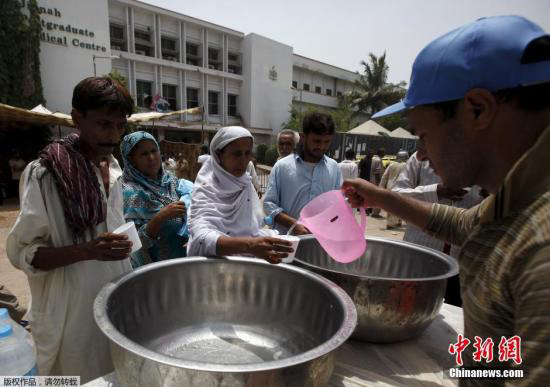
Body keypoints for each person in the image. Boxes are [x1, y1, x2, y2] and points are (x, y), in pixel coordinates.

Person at [343, 16, 550, 384]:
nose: (421, 153)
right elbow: (459, 223)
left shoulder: (541, 247)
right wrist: (378, 196)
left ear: (478, 110)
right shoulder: (518, 202)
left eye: (424, 135)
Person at [6, 77, 134, 382]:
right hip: (70, 315)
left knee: (114, 373)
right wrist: (87, 251)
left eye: (119, 126)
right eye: (104, 124)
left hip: (114, 301)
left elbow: (111, 226)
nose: (113, 135)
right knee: (74, 376)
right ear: (77, 117)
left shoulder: (114, 168)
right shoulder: (46, 175)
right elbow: (23, 254)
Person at [187, 126, 292, 262]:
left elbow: (250, 229)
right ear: (219, 154)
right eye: (236, 154)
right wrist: (249, 245)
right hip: (214, 269)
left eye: (247, 153)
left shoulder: (245, 184)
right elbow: (200, 238)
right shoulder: (206, 188)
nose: (243, 161)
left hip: (246, 266)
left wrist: (271, 237)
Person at [392, 143, 482, 257]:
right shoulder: (419, 159)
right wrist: (434, 191)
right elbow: (395, 195)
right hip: (419, 250)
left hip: (463, 255)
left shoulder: (484, 162)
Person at [121, 131, 193, 268]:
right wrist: (161, 216)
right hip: (155, 273)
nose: (152, 157)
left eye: (154, 151)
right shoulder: (129, 193)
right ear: (131, 160)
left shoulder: (171, 182)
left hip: (185, 264)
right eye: (144, 154)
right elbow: (131, 245)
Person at [264, 112, 342, 235]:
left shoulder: (334, 168)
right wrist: (293, 224)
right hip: (287, 243)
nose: (321, 146)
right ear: (303, 137)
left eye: (326, 142)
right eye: (316, 141)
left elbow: (338, 206)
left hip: (320, 242)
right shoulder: (282, 167)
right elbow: (269, 205)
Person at [379, 150, 408, 228]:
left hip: (390, 186)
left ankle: (394, 222)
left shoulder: (391, 165)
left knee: (391, 206)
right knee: (400, 206)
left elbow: (384, 177)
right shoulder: (406, 165)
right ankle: (395, 222)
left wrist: (380, 187)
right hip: (401, 188)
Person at [369, 148, 385, 217]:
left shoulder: (373, 158)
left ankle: (370, 209)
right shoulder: (378, 160)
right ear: (381, 153)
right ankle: (375, 213)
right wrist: (378, 183)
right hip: (375, 181)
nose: (384, 154)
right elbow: (377, 172)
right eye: (384, 153)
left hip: (370, 180)